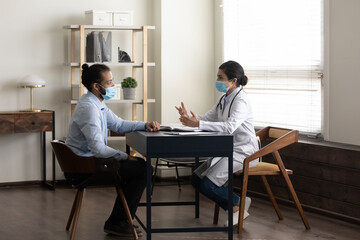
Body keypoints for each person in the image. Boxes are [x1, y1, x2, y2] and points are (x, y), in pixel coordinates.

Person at [65, 63, 160, 237]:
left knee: (139, 167)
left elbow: (118, 124)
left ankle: (119, 221)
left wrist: (144, 125)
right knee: (142, 169)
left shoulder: (97, 103)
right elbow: (99, 149)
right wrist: (125, 157)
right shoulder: (89, 108)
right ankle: (118, 222)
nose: (112, 86)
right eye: (109, 83)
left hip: (88, 161)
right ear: (96, 86)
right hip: (83, 168)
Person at [175, 60, 259, 226]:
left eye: (221, 77)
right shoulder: (224, 98)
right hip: (228, 149)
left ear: (233, 80)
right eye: (217, 77)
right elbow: (208, 118)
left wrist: (198, 124)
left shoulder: (241, 101)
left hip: (244, 152)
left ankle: (237, 207)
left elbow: (229, 127)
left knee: (209, 184)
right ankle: (238, 204)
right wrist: (191, 118)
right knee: (196, 179)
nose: (217, 80)